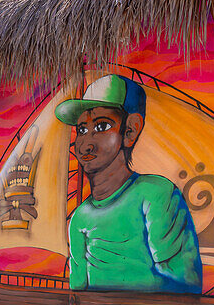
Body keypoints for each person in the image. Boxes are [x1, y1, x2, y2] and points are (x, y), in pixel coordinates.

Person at [55, 74, 202, 293]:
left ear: (130, 130)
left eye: (102, 126)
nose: (85, 144)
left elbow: (185, 286)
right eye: (82, 130)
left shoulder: (156, 194)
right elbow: (76, 295)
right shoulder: (79, 218)